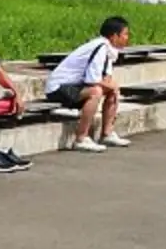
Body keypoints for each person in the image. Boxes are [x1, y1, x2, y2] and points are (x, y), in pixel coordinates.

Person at [46, 15, 133, 152]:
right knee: (96, 91)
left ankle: (107, 133)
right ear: (114, 36)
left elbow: (107, 78)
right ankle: (81, 138)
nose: (127, 38)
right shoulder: (100, 48)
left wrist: (113, 87)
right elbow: (92, 80)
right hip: (58, 88)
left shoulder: (109, 50)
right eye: (125, 34)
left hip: (75, 86)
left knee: (111, 90)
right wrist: (112, 86)